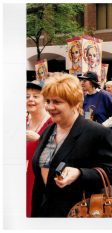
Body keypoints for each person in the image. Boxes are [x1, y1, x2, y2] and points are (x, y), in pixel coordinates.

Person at [31, 73, 112, 217]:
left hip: (76, 213)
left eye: (57, 102)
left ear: (75, 102)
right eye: (47, 101)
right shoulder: (48, 130)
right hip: (42, 211)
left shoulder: (97, 132)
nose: (49, 107)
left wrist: (80, 173)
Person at [78, 72, 112, 199]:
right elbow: (87, 115)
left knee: (110, 165)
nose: (82, 83)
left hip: (105, 136)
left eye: (85, 81)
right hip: (89, 136)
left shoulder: (105, 95)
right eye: (81, 81)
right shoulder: (84, 97)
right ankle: (98, 190)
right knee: (93, 163)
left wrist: (100, 126)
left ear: (93, 82)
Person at [26, 80, 52, 217]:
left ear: (45, 100)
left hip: (40, 182)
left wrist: (38, 139)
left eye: (36, 96)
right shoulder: (22, 119)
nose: (30, 99)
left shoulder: (51, 123)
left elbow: (62, 154)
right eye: (27, 96)